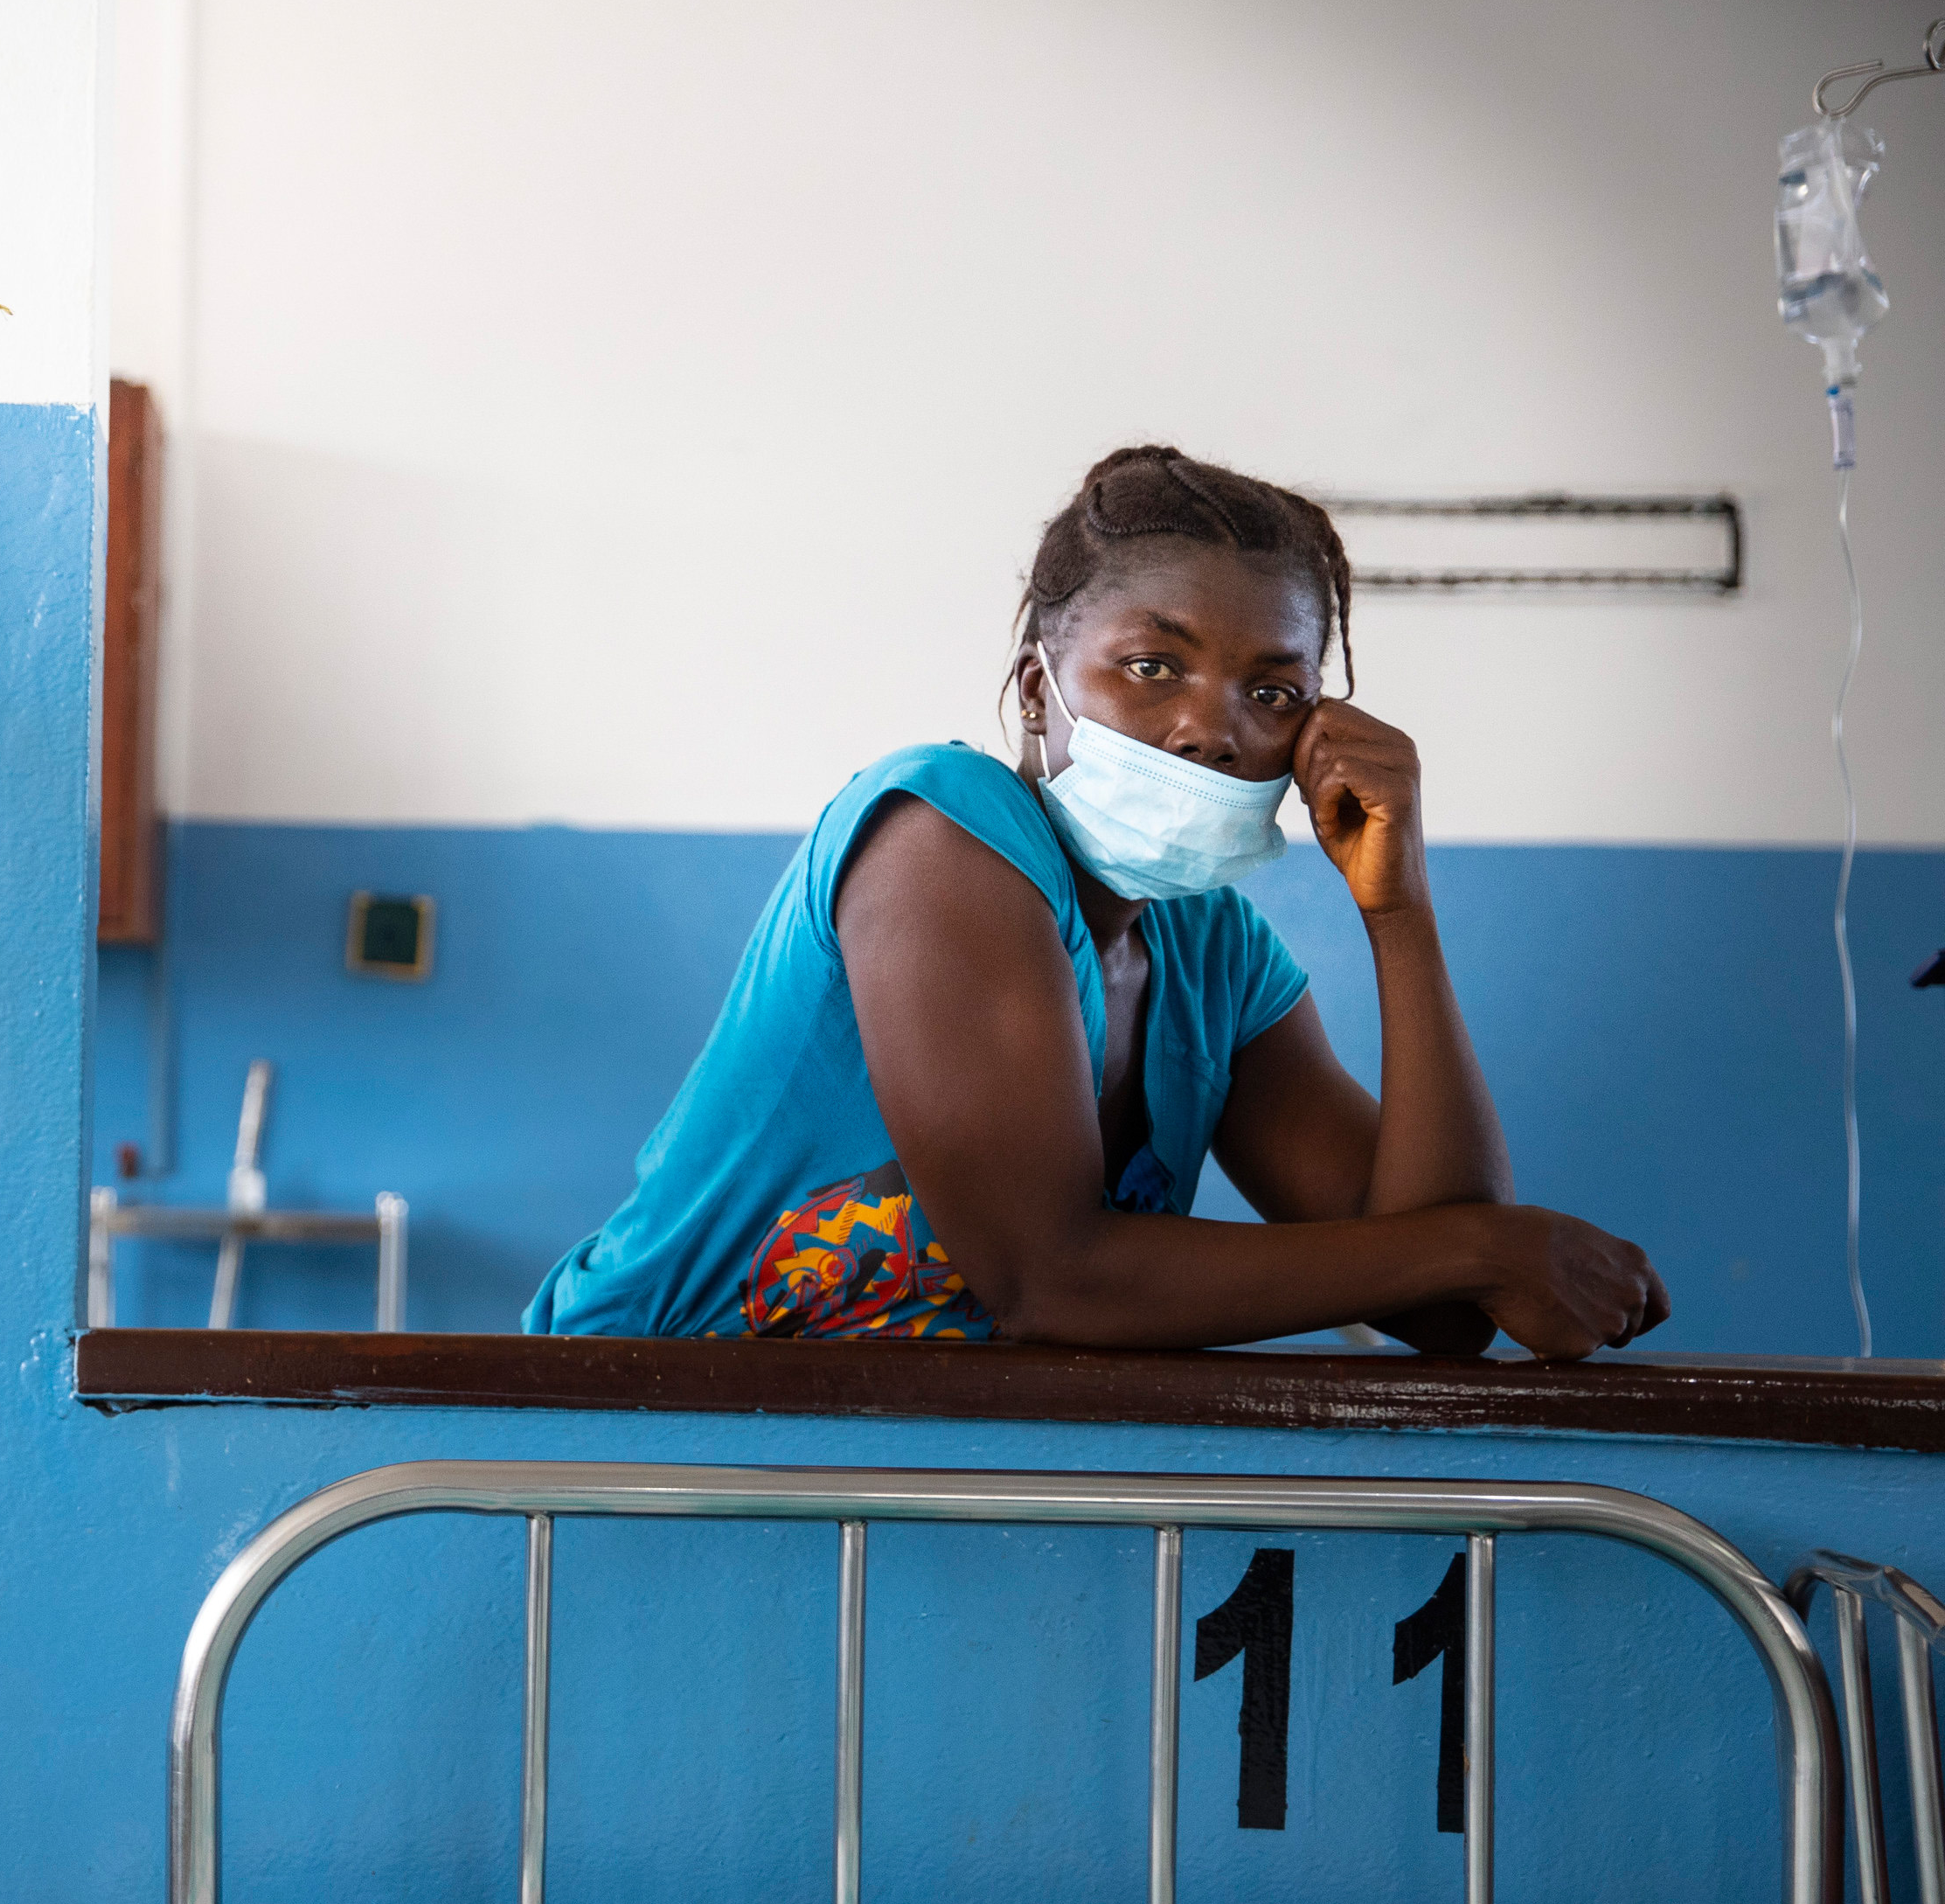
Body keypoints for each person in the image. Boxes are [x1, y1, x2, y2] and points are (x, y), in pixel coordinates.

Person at [524, 445, 1665, 1360]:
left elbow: (1443, 1308)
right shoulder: (939, 833)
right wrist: (1482, 1244)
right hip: (609, 1459)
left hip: (870, 1518)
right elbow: (1045, 1276)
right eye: (1154, 666)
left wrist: (1398, 903)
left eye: (1273, 690)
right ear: (1038, 688)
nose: (1211, 726)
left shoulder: (1213, 952)